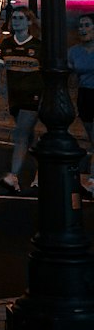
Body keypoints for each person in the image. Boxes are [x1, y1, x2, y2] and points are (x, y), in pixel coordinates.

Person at [0, 7, 42, 193]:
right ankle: (42, 168)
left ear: (29, 22)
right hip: (14, 98)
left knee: (21, 134)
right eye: (14, 18)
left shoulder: (38, 46)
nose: (16, 22)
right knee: (29, 137)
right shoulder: (6, 44)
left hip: (32, 97)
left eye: (21, 18)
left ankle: (13, 176)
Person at [68, 13, 94, 198]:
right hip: (85, 95)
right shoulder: (74, 51)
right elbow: (71, 77)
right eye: (80, 26)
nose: (82, 29)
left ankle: (93, 179)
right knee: (91, 136)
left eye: (86, 25)